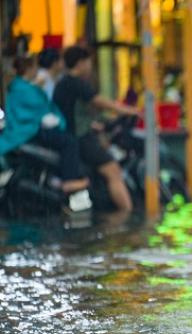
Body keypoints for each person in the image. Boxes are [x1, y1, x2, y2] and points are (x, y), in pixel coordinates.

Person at [53, 45, 138, 211]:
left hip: (75, 134)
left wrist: (97, 124)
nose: (90, 67)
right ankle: (125, 214)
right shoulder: (76, 83)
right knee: (113, 171)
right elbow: (101, 102)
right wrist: (129, 110)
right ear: (81, 63)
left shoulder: (63, 83)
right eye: (88, 62)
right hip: (81, 137)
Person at [0, 55, 88, 193]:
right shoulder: (24, 88)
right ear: (29, 68)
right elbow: (36, 110)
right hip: (30, 129)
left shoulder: (21, 86)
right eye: (35, 67)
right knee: (69, 141)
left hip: (30, 128)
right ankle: (70, 180)